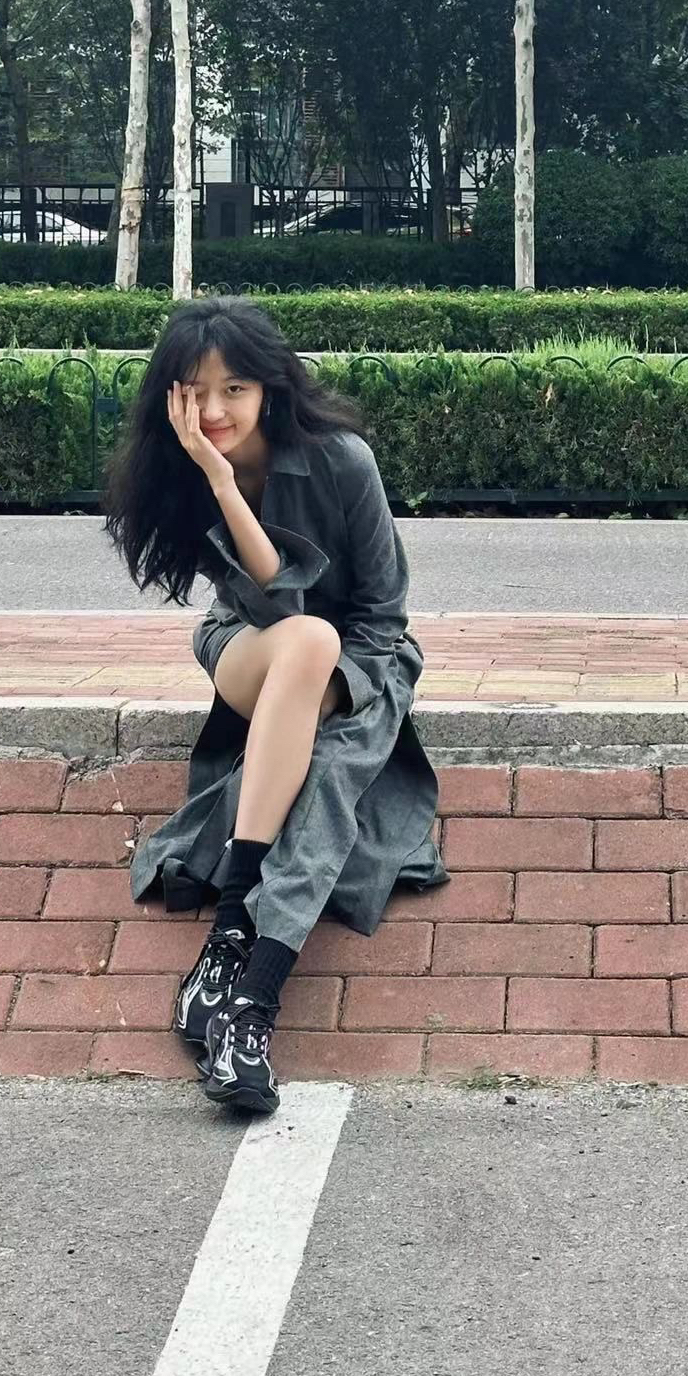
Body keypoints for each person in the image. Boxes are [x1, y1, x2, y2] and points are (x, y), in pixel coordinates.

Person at [103, 294, 446, 1115]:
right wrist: (221, 482)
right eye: (195, 391)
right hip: (248, 648)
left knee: (327, 771)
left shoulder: (342, 460)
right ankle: (240, 978)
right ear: (170, 397)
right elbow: (275, 608)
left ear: (269, 389)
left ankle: (245, 991)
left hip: (362, 660)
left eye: (234, 390)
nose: (214, 411)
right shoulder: (185, 471)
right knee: (305, 638)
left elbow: (383, 615)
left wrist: (342, 695)